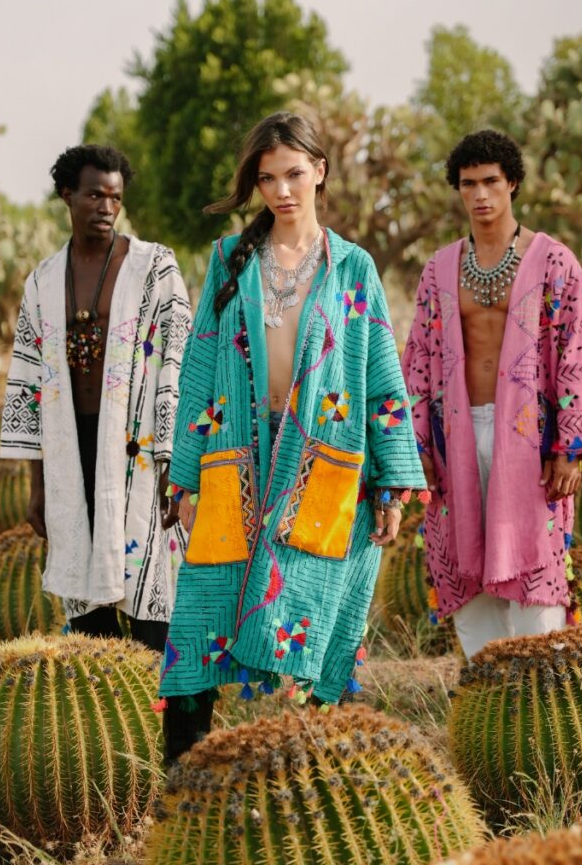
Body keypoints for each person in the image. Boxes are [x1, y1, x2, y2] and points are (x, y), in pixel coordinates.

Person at [156, 111, 426, 761]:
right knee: (200, 619)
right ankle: (179, 782)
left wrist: (390, 486)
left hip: (319, 470)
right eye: (267, 177)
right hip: (235, 463)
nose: (281, 190)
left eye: (294, 174)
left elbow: (381, 381)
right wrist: (184, 475)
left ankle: (304, 777)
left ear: (319, 173)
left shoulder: (351, 267)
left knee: (307, 611)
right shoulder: (228, 259)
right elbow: (197, 372)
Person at [402, 130, 582, 659]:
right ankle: (488, 692)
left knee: (536, 560)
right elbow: (420, 362)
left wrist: (570, 449)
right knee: (462, 560)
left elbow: (578, 353)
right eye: (468, 183)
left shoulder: (555, 262)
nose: (480, 195)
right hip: (457, 435)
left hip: (530, 438)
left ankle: (540, 694)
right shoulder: (440, 269)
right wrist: (418, 450)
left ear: (512, 183)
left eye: (491, 182)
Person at [0, 144, 190, 651]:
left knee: (151, 586)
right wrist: (37, 485)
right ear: (67, 195)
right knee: (86, 603)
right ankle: (108, 711)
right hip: (70, 451)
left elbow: (181, 359)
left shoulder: (154, 268)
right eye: (94, 196)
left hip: (142, 450)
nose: (106, 208)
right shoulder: (41, 282)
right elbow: (28, 383)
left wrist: (178, 457)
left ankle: (164, 713)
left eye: (115, 197)